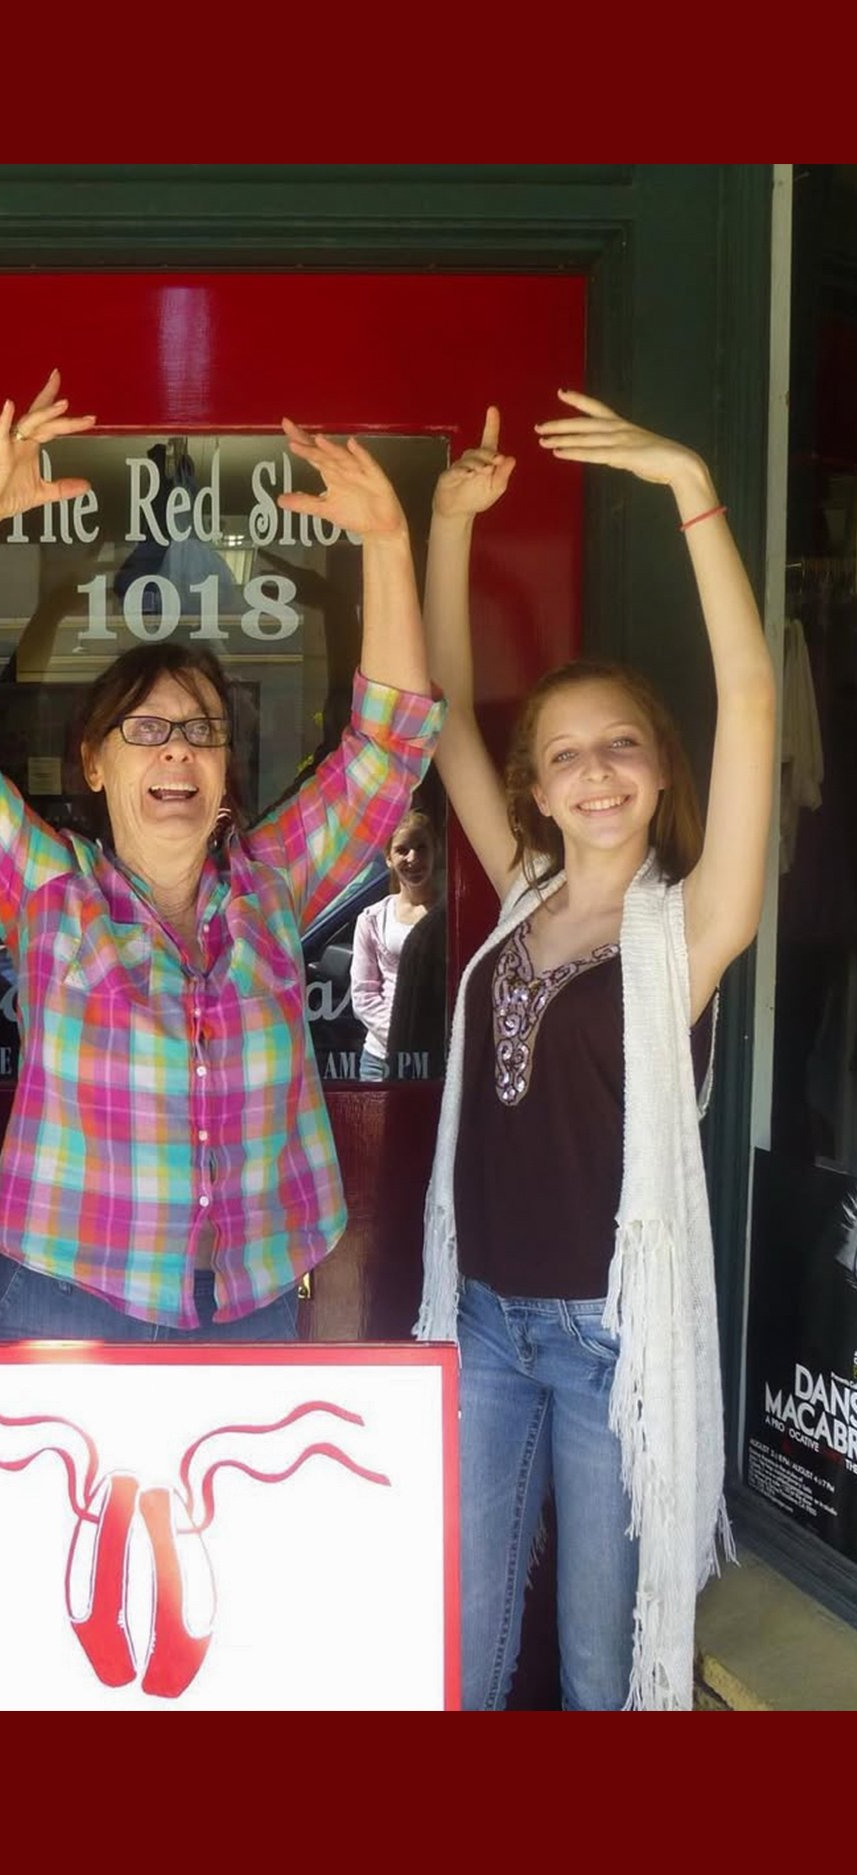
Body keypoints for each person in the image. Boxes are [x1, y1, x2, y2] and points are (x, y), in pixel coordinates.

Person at [0, 369, 445, 1341]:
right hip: (68, 1297)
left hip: (250, 1303)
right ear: (94, 764)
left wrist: (388, 545)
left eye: (199, 729)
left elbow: (388, 745)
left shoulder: (273, 888)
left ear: (228, 769)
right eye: (141, 732)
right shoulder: (50, 892)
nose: (175, 748)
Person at [413, 394, 775, 1711]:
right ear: (537, 786)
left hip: (608, 1341)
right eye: (566, 754)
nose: (597, 771)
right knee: (461, 1648)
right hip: (485, 1319)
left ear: (659, 766)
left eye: (622, 743)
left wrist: (688, 481)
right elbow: (441, 708)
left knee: (596, 1662)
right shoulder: (519, 897)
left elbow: (748, 690)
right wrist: (448, 522)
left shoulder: (691, 929)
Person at [350, 807, 439, 1079]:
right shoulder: (372, 920)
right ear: (388, 858)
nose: (413, 858)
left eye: (422, 848)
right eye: (402, 850)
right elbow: (363, 996)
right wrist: (403, 1037)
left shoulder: (452, 913)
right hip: (380, 1059)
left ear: (437, 850)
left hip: (436, 1058)